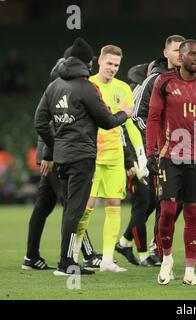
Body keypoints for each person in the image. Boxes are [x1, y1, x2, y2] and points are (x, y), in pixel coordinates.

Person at [34, 37, 133, 276]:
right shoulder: (87, 87)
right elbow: (107, 121)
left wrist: (55, 145)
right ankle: (66, 263)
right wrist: (124, 113)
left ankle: (68, 260)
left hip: (63, 157)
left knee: (72, 208)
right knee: (75, 211)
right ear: (90, 62)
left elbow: (40, 122)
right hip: (82, 157)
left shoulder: (54, 86)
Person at [146, 39, 196, 286]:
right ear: (182, 55)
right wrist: (150, 153)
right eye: (194, 54)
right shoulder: (164, 82)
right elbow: (154, 118)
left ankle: (190, 271)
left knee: (193, 213)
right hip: (169, 156)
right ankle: (167, 259)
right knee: (167, 211)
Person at [23, 49, 101, 271]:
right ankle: (84, 255)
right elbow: (51, 126)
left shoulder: (56, 88)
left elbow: (45, 124)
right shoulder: (68, 90)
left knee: (45, 205)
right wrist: (49, 154)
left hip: (53, 153)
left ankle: (31, 256)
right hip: (57, 156)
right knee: (71, 205)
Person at [71, 44, 147, 273]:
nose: (113, 68)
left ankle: (107, 259)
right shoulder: (87, 86)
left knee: (114, 204)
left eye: (116, 65)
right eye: (109, 63)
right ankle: (72, 255)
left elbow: (130, 124)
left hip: (114, 156)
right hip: (91, 156)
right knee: (86, 207)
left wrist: (140, 154)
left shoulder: (123, 88)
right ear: (100, 61)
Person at [125, 35, 186, 264]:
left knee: (177, 203)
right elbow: (135, 116)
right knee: (157, 201)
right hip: (157, 153)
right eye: (176, 49)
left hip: (185, 151)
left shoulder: (190, 81)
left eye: (183, 49)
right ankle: (155, 250)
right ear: (166, 53)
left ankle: (147, 246)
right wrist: (154, 143)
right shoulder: (154, 80)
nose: (180, 53)